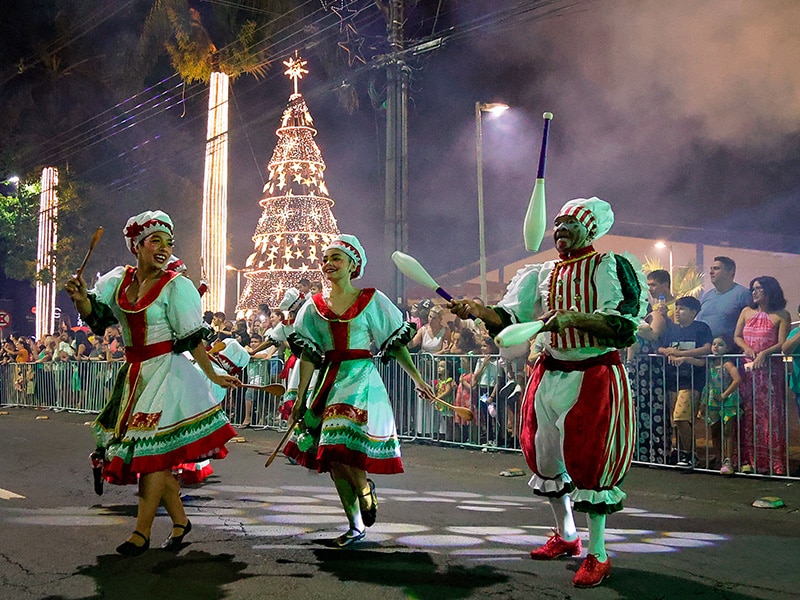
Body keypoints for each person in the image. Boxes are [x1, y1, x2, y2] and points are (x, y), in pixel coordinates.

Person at [449, 197, 647, 588]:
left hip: (593, 372)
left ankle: (598, 553)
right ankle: (567, 536)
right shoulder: (541, 274)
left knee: (591, 462)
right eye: (556, 225)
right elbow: (508, 318)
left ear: (590, 229)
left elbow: (623, 326)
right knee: (545, 456)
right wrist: (477, 310)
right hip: (551, 371)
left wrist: (574, 318)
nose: (558, 232)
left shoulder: (609, 267)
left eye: (568, 225)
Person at [63, 210, 241, 556]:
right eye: (155, 240)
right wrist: (82, 298)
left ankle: (140, 532)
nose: (163, 247)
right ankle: (180, 521)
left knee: (151, 457)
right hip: (134, 377)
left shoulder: (176, 286)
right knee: (153, 458)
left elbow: (191, 338)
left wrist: (212, 374)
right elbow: (99, 320)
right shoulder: (118, 282)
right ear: (137, 246)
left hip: (167, 376)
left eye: (168, 241)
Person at [284, 234, 435, 548]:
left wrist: (418, 379)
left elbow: (394, 345)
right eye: (326, 258)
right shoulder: (313, 308)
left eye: (336, 258)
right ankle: (355, 525)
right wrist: (300, 397)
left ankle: (365, 491)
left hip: (360, 380)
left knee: (342, 445)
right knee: (334, 458)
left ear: (353, 265)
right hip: (327, 381)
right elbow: (309, 356)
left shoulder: (372, 299)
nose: (328, 263)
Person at [733, 276, 790, 475]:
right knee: (747, 415)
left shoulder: (781, 315)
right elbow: (737, 336)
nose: (754, 292)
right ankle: (748, 459)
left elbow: (782, 343)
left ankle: (772, 462)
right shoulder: (746, 312)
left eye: (759, 289)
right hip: (747, 371)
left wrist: (765, 352)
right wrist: (746, 348)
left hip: (769, 373)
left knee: (769, 417)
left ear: (769, 291)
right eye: (753, 289)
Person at [657, 296, 713, 467]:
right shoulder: (671, 330)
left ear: (693, 312)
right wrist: (667, 351)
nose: (678, 312)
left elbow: (706, 348)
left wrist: (681, 354)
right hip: (673, 379)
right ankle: (682, 452)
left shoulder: (701, 328)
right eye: (677, 308)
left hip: (692, 380)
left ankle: (689, 453)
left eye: (682, 309)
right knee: (677, 421)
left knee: (681, 417)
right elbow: (659, 346)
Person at [679, 335, 741, 475]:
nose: (715, 347)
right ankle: (719, 457)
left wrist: (725, 394)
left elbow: (737, 379)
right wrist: (703, 403)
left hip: (728, 401)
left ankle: (728, 460)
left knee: (727, 431)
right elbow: (703, 375)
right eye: (714, 344)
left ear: (727, 348)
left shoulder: (727, 364)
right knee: (715, 431)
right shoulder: (710, 363)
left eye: (720, 344)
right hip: (713, 401)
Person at [696, 256, 752, 340]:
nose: (711, 272)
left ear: (731, 272)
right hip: (705, 349)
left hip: (730, 351)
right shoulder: (707, 296)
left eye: (716, 268)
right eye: (711, 269)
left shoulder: (743, 294)